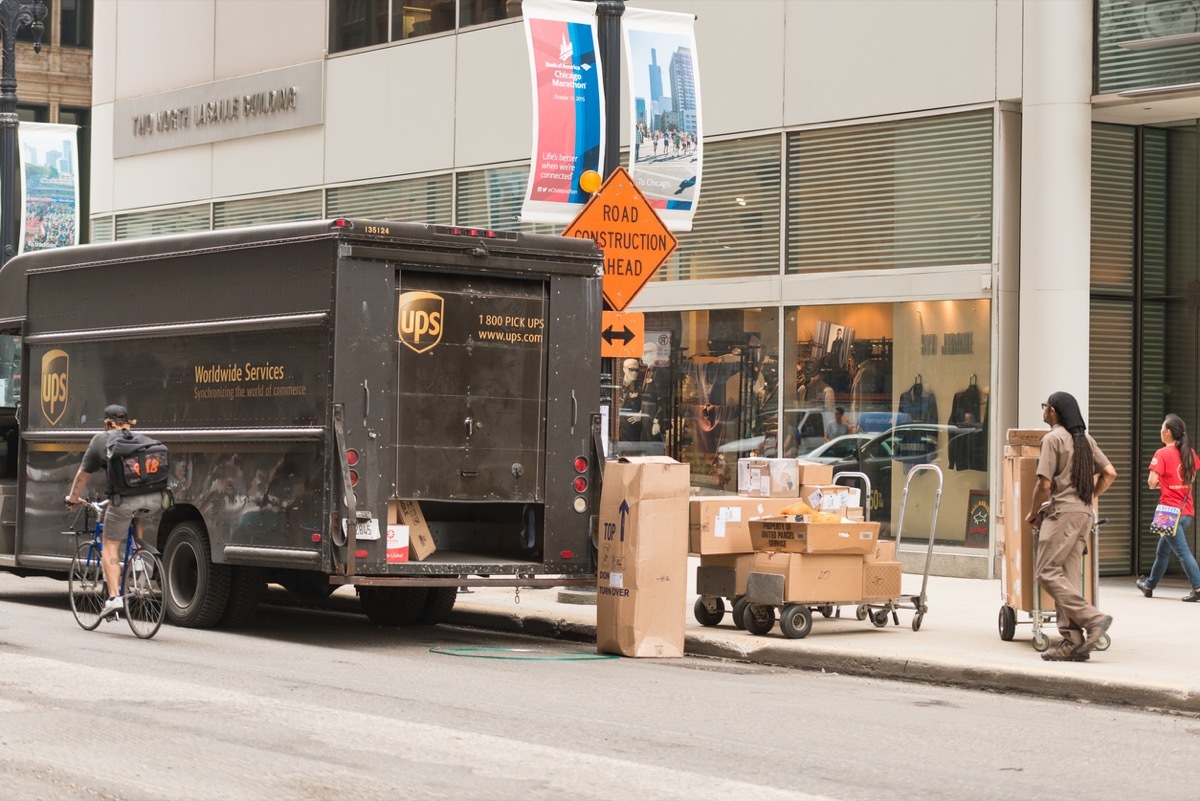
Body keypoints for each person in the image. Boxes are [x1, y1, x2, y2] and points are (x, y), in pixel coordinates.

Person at [1025, 392, 1116, 662]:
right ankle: (1072, 642)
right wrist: (1090, 497)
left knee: (1045, 572)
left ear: (1053, 412)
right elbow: (1110, 472)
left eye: (1045, 407)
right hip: (1084, 514)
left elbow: (1043, 484)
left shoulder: (1052, 439)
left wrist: (1032, 513)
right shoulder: (1085, 439)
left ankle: (1094, 619)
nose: (1043, 410)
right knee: (1067, 576)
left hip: (1062, 514)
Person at [64, 405, 161, 620]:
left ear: (106, 423)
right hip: (154, 498)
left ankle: (114, 597)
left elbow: (82, 475)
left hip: (123, 500)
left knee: (110, 545)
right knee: (133, 515)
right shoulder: (140, 437)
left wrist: (73, 498)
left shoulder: (101, 440)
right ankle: (137, 556)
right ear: (128, 421)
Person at [1137, 414, 1200, 602]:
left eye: (1162, 428)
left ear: (1168, 432)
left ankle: (1197, 588)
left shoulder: (1162, 454)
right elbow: (1192, 478)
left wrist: (1161, 484)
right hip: (1186, 511)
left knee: (1182, 552)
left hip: (1167, 512)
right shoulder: (1189, 453)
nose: (1160, 431)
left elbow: (1152, 481)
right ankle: (1149, 585)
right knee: (1162, 550)